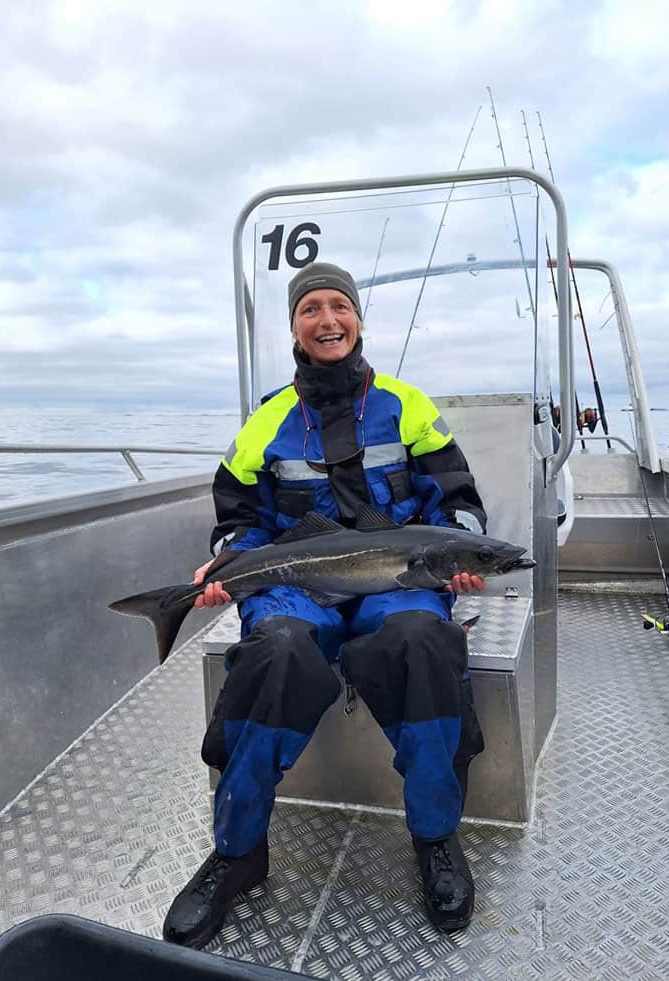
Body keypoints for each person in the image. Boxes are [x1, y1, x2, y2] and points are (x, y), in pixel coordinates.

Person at [163, 262, 488, 949]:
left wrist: (461, 554)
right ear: (294, 328)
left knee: (421, 644)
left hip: (396, 583)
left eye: (339, 305)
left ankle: (433, 836)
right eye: (311, 308)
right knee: (274, 651)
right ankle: (239, 851)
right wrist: (227, 561)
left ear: (359, 320)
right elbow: (239, 515)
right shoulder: (267, 420)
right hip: (294, 585)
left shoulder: (408, 404)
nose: (328, 319)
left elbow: (454, 498)